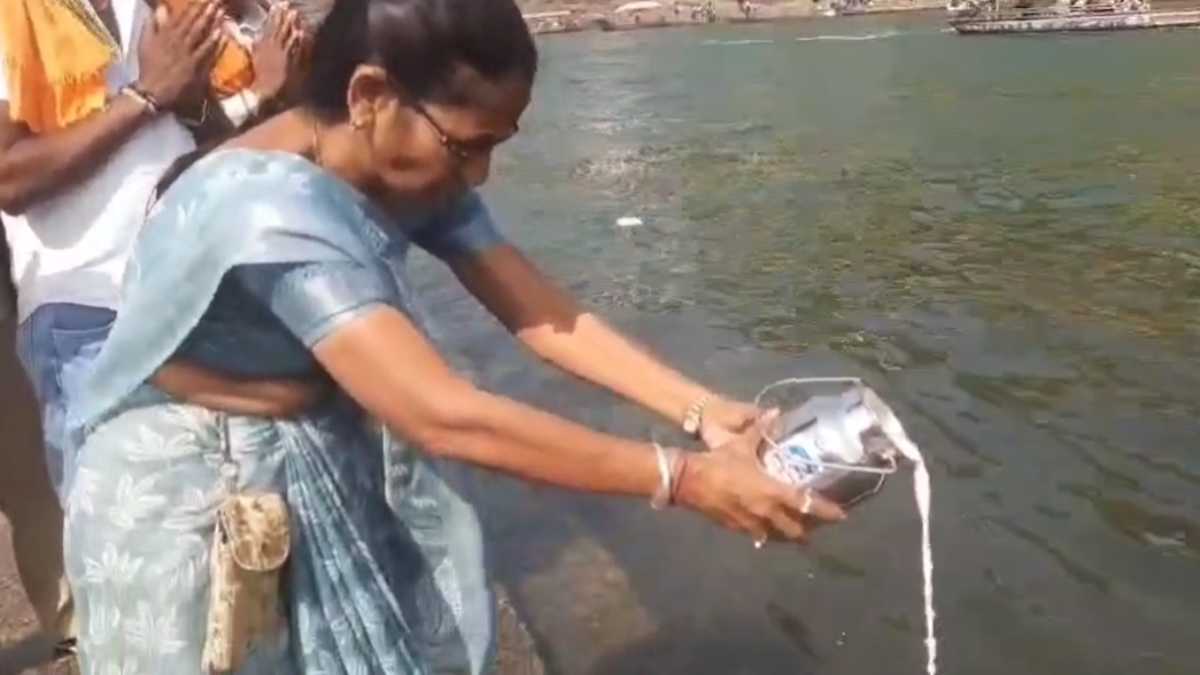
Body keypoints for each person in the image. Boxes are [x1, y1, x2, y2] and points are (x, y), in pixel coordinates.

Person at [66, 0, 848, 672]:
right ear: (370, 95)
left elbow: (544, 315)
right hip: (201, 490)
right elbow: (441, 414)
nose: (479, 175)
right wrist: (682, 478)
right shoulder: (266, 207)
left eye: (496, 146)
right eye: (467, 146)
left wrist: (703, 409)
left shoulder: (398, 164)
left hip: (305, 445)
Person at [0, 0, 308, 653]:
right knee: (131, 559)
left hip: (193, 291)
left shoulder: (149, 7)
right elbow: (9, 176)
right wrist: (145, 95)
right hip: (86, 313)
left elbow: (184, 141)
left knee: (227, 542)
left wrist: (265, 94)